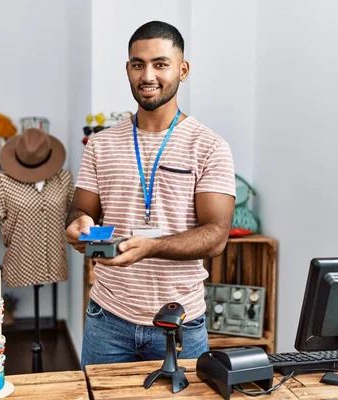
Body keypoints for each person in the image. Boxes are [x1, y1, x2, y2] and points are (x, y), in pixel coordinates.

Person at [66, 20, 236, 368]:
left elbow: (216, 236)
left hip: (180, 324)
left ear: (182, 69)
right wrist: (78, 222)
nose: (148, 76)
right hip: (107, 320)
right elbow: (81, 208)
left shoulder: (210, 147)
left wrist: (153, 247)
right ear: (128, 69)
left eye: (160, 64)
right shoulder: (100, 145)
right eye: (138, 64)